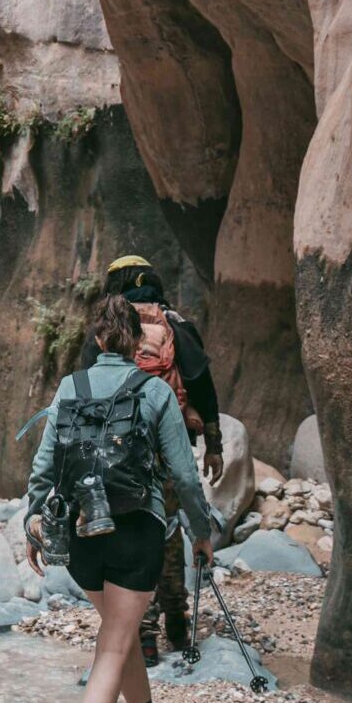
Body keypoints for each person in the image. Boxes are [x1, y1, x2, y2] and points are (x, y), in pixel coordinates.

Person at [26, 293, 215, 703]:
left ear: (96, 338)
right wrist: (202, 532)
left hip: (81, 536)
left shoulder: (70, 385)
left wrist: (32, 520)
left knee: (121, 634)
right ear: (134, 342)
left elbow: (44, 466)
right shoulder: (153, 392)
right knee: (114, 642)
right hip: (136, 532)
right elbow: (184, 475)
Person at [85, 254, 223, 660]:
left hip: (117, 453)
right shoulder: (175, 326)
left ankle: (142, 633)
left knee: (130, 532)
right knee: (165, 530)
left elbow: (85, 388)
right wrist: (213, 443)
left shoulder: (107, 329)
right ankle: (177, 618)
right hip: (167, 447)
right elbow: (202, 384)